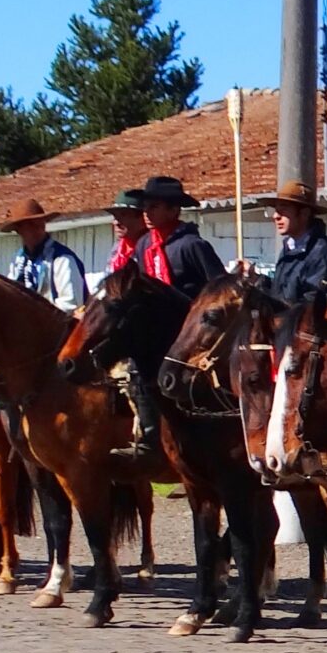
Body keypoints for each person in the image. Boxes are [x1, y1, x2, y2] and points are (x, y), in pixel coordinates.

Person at [116, 176, 226, 459]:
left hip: (187, 333)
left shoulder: (191, 246)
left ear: (174, 211)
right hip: (155, 332)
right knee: (136, 368)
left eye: (154, 206)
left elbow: (218, 288)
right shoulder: (144, 246)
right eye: (145, 207)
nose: (147, 213)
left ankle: (202, 435)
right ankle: (150, 438)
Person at [251, 181, 327, 308]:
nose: (276, 216)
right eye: (275, 210)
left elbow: (311, 308)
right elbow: (282, 296)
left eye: (283, 210)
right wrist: (256, 279)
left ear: (304, 213)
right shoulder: (289, 249)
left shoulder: (323, 254)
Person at [2, 200, 88, 313]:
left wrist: (36, 314)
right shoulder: (17, 261)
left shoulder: (62, 259)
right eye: (31, 224)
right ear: (19, 230)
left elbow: (71, 304)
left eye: (41, 222)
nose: (38, 227)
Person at [105, 189, 148, 281]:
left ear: (143, 219)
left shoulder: (153, 250)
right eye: (115, 217)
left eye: (123, 215)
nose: (116, 222)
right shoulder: (117, 251)